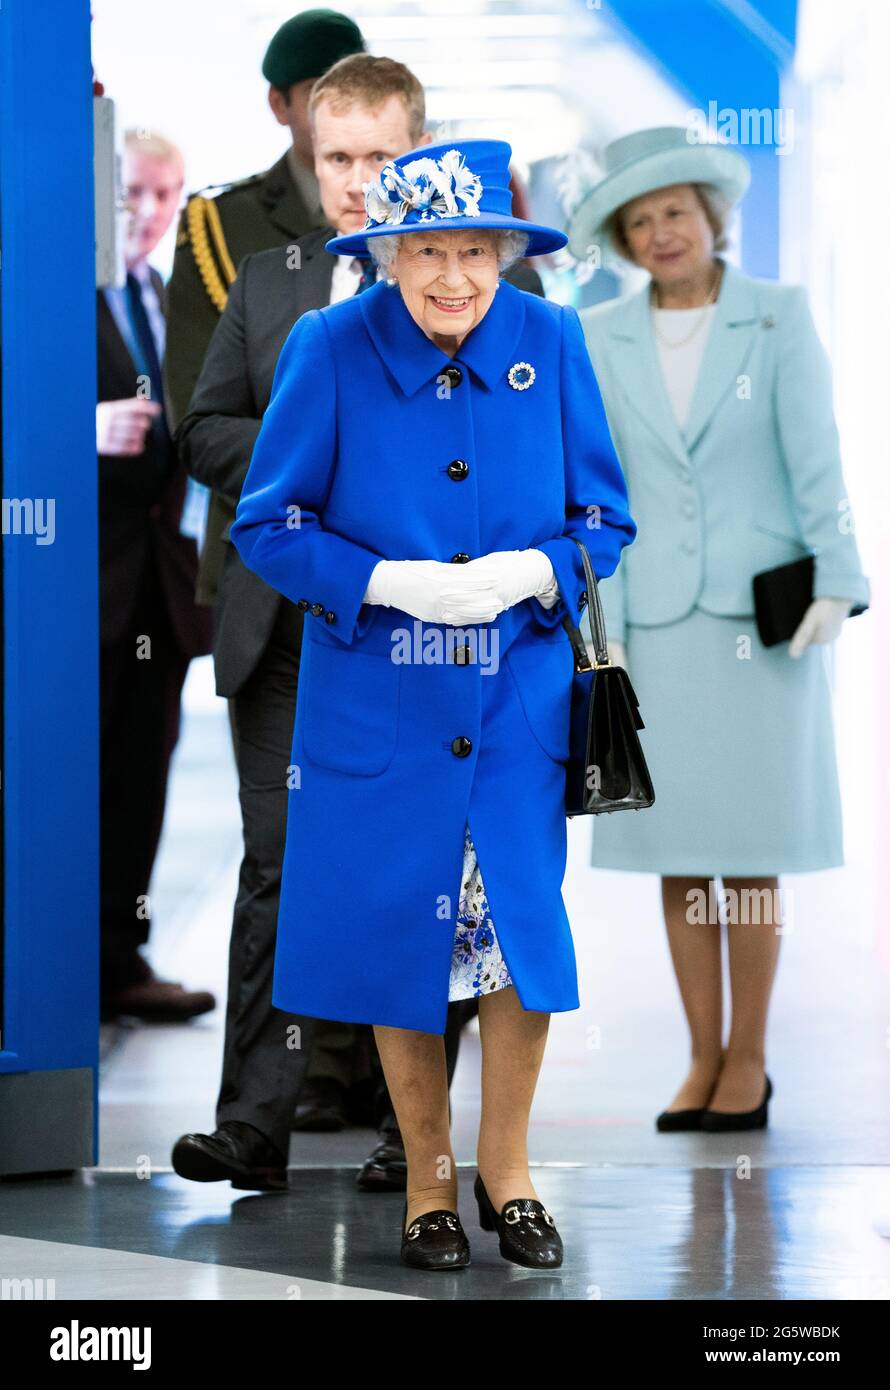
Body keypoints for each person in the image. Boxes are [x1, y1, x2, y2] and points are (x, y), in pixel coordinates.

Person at [229, 138, 636, 1270]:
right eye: (427, 252)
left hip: (515, 703)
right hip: (379, 706)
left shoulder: (549, 340)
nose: (453, 276)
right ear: (386, 255)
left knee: (516, 942)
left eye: (475, 251)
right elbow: (265, 523)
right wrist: (385, 581)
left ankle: (507, 1173)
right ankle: (425, 1180)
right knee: (400, 931)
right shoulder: (328, 345)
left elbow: (605, 518)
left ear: (506, 252)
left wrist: (532, 571)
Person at [171, 56, 546, 1196]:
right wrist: (316, 475)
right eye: (336, 158)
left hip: (419, 639)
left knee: (424, 866)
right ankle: (253, 1127)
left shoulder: (461, 296)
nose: (355, 180)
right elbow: (203, 432)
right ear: (308, 154)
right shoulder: (271, 281)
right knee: (277, 867)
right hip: (281, 619)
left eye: (381, 158)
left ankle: (408, 1137)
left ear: (418, 156)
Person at [567, 126, 870, 1133]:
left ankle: (749, 1057)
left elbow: (813, 454)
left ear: (710, 217)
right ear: (622, 234)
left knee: (748, 850)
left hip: (763, 627)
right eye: (641, 218)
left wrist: (839, 578)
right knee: (677, 852)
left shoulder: (775, 319)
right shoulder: (599, 331)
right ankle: (698, 1056)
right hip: (650, 623)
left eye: (675, 212)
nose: (661, 232)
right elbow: (595, 481)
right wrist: (585, 611)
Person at [163, 8, 366, 609]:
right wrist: (344, 457)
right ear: (279, 105)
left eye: (352, 90)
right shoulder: (223, 225)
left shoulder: (419, 230)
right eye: (317, 93)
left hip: (400, 569)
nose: (338, 110)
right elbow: (200, 420)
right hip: (263, 565)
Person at [97, 130, 215, 1021]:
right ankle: (53, 973)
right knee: (64, 779)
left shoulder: (169, 300)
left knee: (141, 778)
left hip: (160, 593)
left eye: (167, 196)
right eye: (134, 192)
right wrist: (82, 432)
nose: (148, 213)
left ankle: (119, 960)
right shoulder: (43, 294)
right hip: (73, 588)